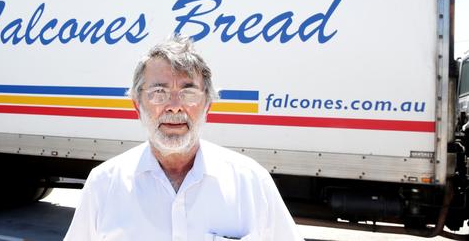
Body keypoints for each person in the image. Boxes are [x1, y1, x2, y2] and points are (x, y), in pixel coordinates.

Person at [64, 35, 303, 241]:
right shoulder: (104, 184)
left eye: (188, 93)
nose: (175, 107)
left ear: (207, 105)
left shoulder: (250, 182)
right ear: (137, 106)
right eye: (159, 92)